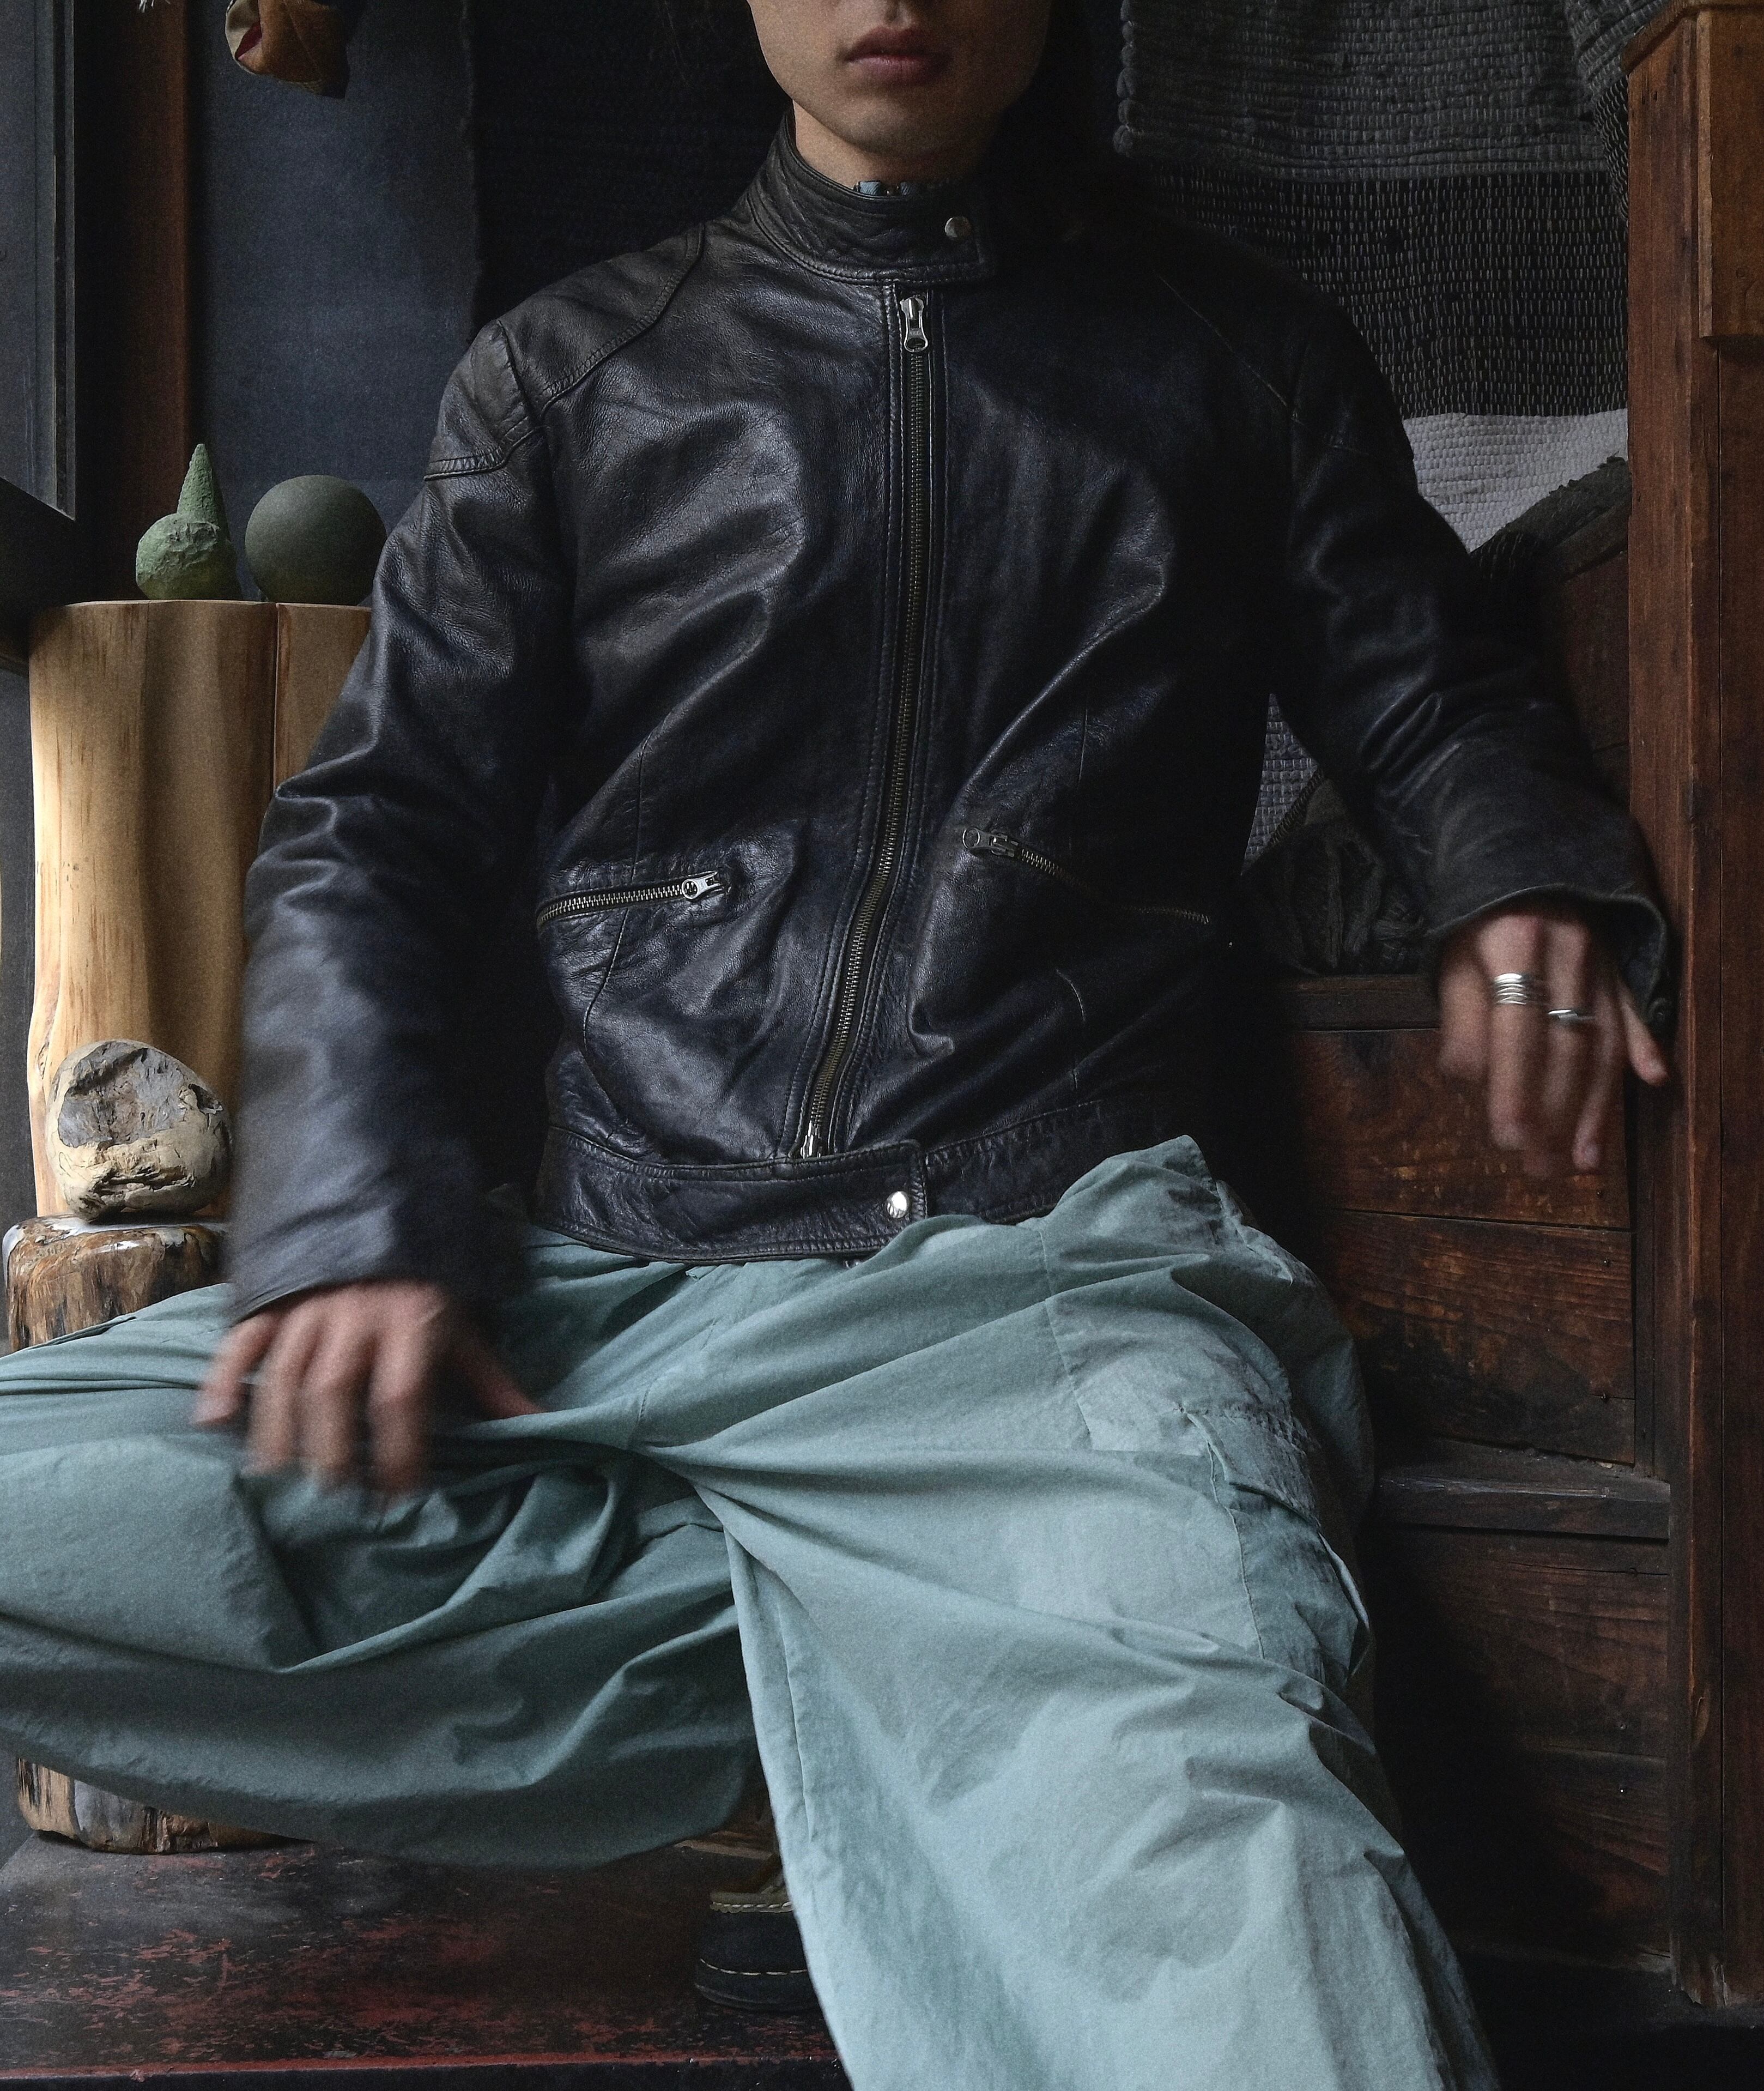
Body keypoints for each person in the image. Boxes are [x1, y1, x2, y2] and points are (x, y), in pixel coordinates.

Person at [0, 2, 1669, 2085]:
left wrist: (1516, 877)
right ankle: (882, 1648)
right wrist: (352, 1222)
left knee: (1255, 1904)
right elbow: (379, 831)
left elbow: (1427, 690)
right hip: (606, 1297)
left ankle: (972, 1626)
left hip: (1031, 1293)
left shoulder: (1241, 360)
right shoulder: (567, 374)